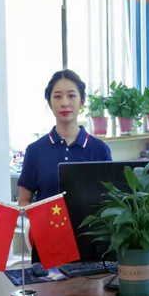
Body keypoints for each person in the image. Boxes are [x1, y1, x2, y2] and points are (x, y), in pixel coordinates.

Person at [18, 70, 112, 206]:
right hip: (47, 221)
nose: (65, 103)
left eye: (71, 95)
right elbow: (23, 201)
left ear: (82, 102)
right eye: (57, 97)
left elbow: (110, 200)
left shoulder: (99, 149)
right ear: (50, 103)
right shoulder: (35, 151)